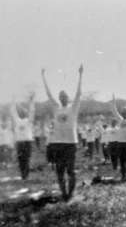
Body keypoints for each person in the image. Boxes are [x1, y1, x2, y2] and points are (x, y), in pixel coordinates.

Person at [42, 65, 83, 201]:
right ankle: (64, 193)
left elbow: (78, 93)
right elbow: (48, 94)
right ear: (59, 98)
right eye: (60, 96)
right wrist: (43, 77)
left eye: (64, 96)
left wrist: (80, 75)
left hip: (71, 143)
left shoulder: (73, 108)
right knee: (60, 171)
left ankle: (70, 195)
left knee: (70, 170)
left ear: (68, 98)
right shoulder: (56, 108)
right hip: (57, 144)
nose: (62, 97)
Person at [111, 93, 126, 182]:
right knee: (121, 161)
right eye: (123, 112)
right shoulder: (120, 120)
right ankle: (123, 175)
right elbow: (114, 111)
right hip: (121, 143)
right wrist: (113, 101)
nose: (124, 113)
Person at [10, 93, 35, 180]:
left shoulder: (29, 121)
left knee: (26, 159)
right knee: (21, 159)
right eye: (21, 112)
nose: (23, 113)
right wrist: (13, 100)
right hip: (20, 142)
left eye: (24, 112)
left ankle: (26, 175)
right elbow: (13, 111)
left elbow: (32, 112)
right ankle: (23, 175)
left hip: (27, 142)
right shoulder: (17, 120)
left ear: (25, 114)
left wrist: (31, 102)